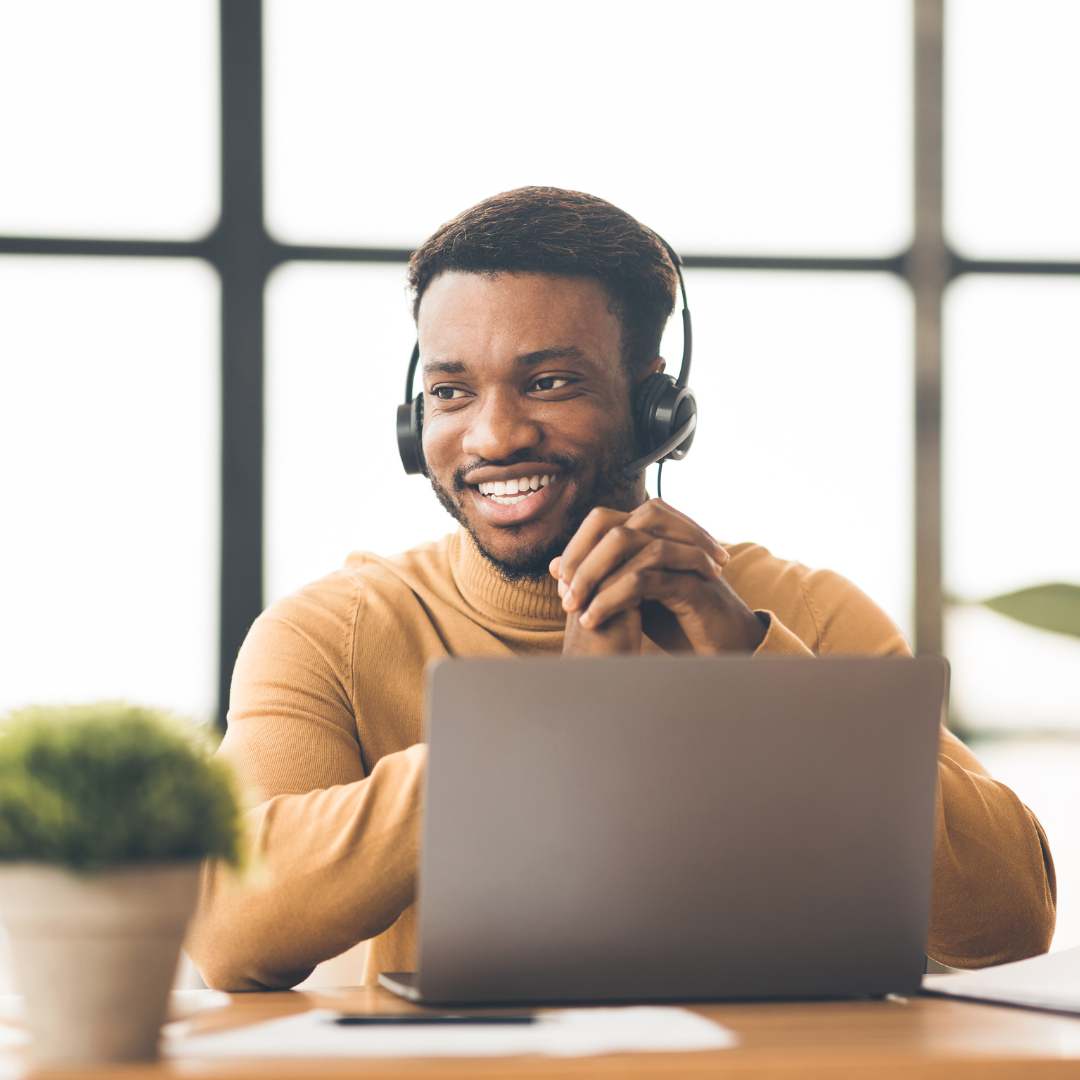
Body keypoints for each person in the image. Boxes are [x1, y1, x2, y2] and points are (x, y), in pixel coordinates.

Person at [187, 187, 1055, 991]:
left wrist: (754, 667)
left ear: (657, 412)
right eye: (450, 392)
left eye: (549, 383)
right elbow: (229, 933)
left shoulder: (806, 613)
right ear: (416, 426)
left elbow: (1008, 921)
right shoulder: (332, 632)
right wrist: (552, 720)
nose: (492, 435)